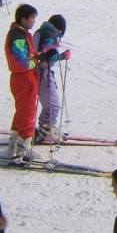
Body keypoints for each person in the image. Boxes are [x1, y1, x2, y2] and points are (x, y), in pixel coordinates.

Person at [5, 6, 41, 161]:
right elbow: (21, 61)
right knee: (27, 112)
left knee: (22, 110)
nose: (34, 21)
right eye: (32, 18)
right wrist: (38, 60)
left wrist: (38, 56)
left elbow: (28, 55)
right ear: (23, 19)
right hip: (23, 78)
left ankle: (15, 141)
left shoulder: (21, 34)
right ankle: (23, 148)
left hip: (25, 77)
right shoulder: (17, 36)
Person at [32, 14, 71, 143]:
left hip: (34, 71)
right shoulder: (51, 35)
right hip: (42, 72)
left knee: (50, 104)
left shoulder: (39, 31)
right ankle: (44, 133)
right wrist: (62, 56)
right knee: (53, 105)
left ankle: (46, 128)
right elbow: (48, 56)